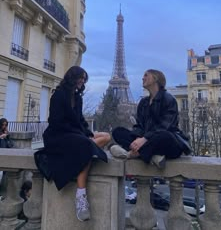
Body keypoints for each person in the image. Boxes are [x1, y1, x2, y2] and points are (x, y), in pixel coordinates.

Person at [34, 66, 111, 222]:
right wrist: (82, 135)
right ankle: (81, 197)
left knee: (106, 136)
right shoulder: (58, 95)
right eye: (80, 78)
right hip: (58, 136)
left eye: (84, 79)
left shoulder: (78, 97)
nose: (82, 81)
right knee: (86, 146)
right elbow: (56, 122)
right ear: (72, 77)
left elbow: (80, 121)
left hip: (75, 136)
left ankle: (83, 150)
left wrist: (87, 133)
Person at [110, 69, 191, 167]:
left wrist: (145, 139)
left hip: (165, 142)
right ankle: (152, 156)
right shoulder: (143, 102)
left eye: (146, 75)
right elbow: (139, 125)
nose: (142, 78)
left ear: (155, 79)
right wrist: (137, 138)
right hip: (148, 141)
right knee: (118, 131)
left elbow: (165, 126)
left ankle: (130, 154)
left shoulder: (169, 99)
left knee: (165, 136)